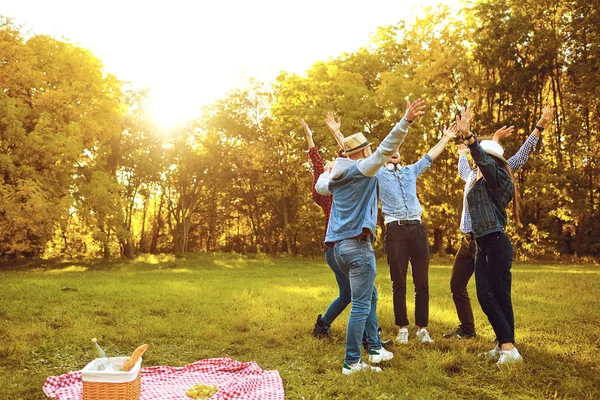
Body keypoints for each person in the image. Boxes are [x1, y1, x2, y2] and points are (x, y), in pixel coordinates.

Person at [316, 99, 426, 375]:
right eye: (368, 149)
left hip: (339, 248)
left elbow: (343, 162)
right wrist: (406, 121)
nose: (371, 151)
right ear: (363, 152)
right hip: (357, 246)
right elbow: (386, 148)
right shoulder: (362, 170)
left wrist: (339, 136)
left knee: (368, 296)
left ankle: (374, 349)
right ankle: (352, 361)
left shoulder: (337, 177)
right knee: (361, 305)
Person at [444, 105, 554, 340]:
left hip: (488, 238)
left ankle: (504, 339)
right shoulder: (471, 176)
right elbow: (473, 161)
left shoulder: (500, 174)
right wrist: (467, 150)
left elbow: (516, 155)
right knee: (458, 285)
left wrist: (539, 126)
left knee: (493, 293)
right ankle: (469, 328)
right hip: (468, 240)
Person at [378, 124, 458, 345]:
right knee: (399, 281)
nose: (394, 151)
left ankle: (422, 328)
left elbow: (430, 155)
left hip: (417, 228)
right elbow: (359, 159)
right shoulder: (377, 174)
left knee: (422, 282)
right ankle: (402, 328)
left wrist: (446, 137)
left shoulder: (410, 170)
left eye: (397, 148)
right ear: (384, 154)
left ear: (400, 154)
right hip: (395, 230)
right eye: (390, 148)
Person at [456, 105, 522, 365]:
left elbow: (484, 159)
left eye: (480, 158)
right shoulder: (480, 179)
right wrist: (487, 142)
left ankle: (507, 348)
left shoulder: (499, 180)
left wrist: (470, 138)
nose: (476, 162)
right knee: (495, 295)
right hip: (484, 244)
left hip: (495, 243)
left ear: (492, 161)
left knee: (490, 295)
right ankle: (505, 346)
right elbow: (478, 163)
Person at [301, 117, 350, 338]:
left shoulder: (348, 189)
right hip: (334, 249)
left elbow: (346, 155)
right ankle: (371, 335)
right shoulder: (326, 197)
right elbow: (318, 164)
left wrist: (336, 133)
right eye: (329, 167)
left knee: (348, 294)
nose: (333, 165)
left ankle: (322, 326)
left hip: (349, 245)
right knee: (361, 292)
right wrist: (310, 138)